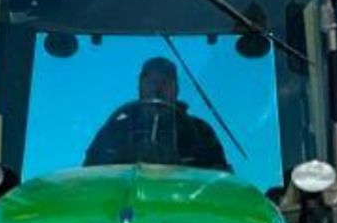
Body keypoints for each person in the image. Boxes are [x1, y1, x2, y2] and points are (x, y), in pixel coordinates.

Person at [83, 56, 230, 171]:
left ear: (176, 90)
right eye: (151, 82)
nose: (157, 89)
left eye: (165, 82)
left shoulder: (201, 132)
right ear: (140, 88)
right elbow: (89, 174)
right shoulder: (115, 130)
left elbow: (220, 178)